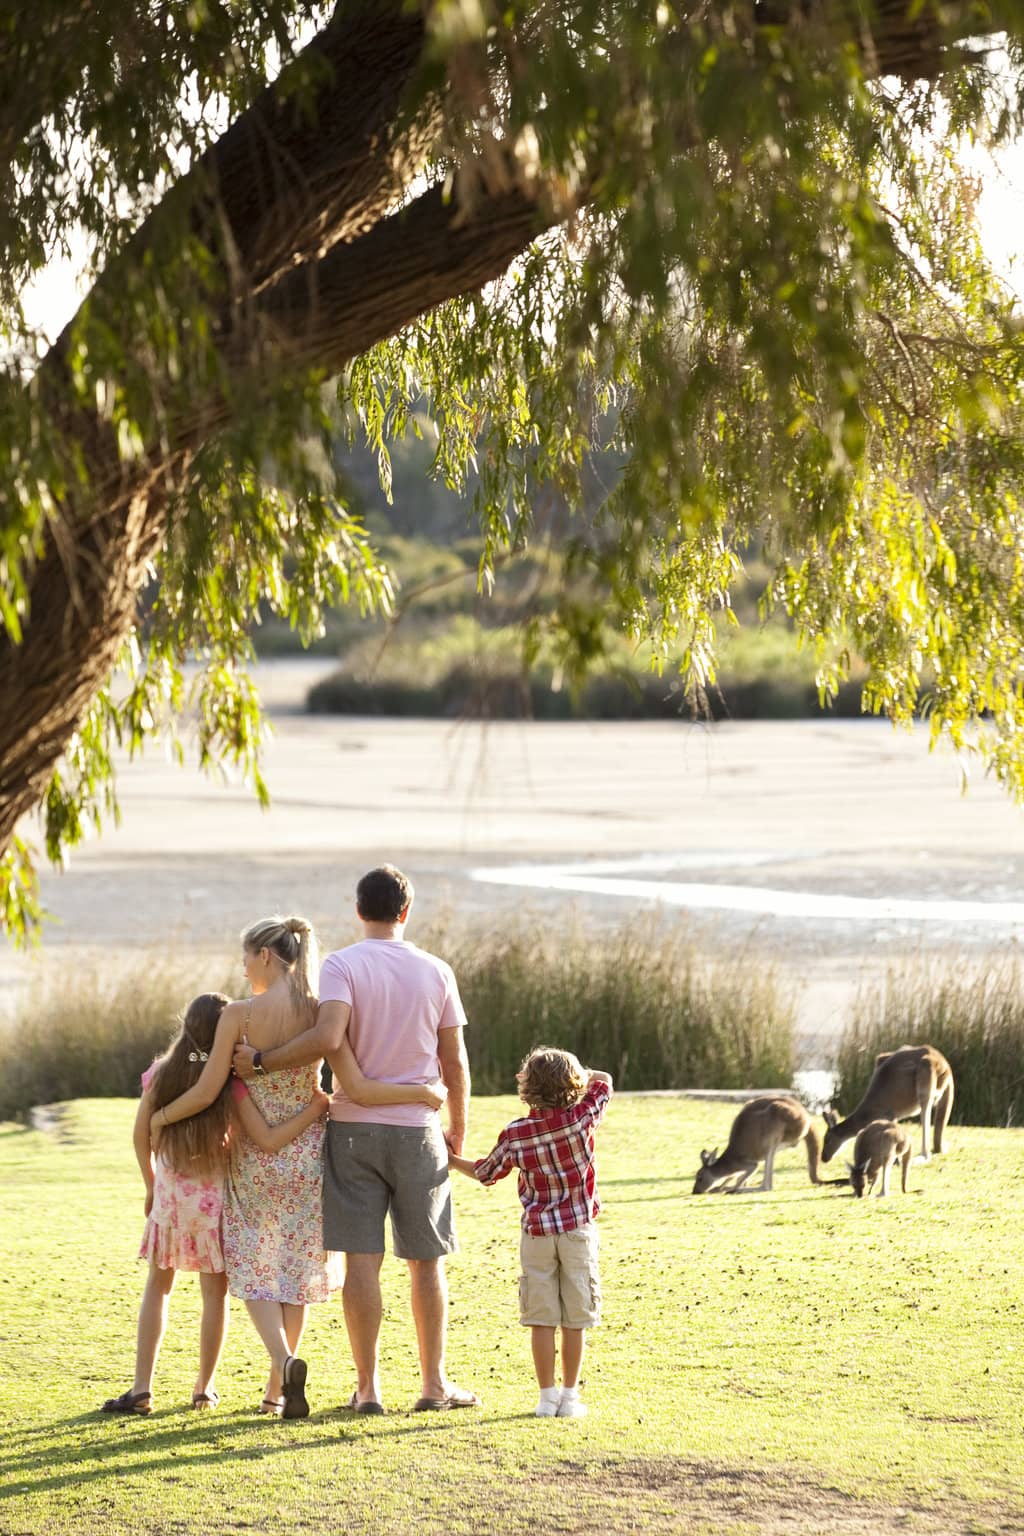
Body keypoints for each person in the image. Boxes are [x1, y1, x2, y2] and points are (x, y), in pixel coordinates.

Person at [152, 914, 445, 1418]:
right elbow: (342, 1080)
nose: (243, 968)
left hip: (254, 1160)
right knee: (294, 1268)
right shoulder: (318, 1011)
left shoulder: (238, 1016)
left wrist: (160, 1115)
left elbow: (205, 1090)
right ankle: (275, 1393)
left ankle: (285, 1362)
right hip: (309, 1154)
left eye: (247, 957)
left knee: (253, 1265)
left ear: (266, 955)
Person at [233, 865, 477, 1415]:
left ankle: (368, 1390)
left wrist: (262, 1063)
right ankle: (434, 1386)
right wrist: (457, 1129)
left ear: (359, 910)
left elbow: (326, 1037)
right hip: (418, 1131)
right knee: (426, 1262)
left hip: (351, 1130)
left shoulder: (342, 964)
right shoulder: (436, 970)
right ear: (406, 912)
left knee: (361, 1263)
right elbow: (455, 1060)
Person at [101, 992, 329, 1415]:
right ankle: (204, 1388)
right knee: (214, 1296)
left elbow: (140, 1135)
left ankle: (141, 1388)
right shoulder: (226, 1078)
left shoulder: (161, 1074)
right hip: (216, 1201)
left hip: (171, 1199)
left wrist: (151, 1184)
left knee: (158, 1287)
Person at [448, 1047, 613, 1419]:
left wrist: (451, 1161)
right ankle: (570, 1398)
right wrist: (582, 1075)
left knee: (541, 1318)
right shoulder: (582, 1118)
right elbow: (604, 1081)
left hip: (536, 1234)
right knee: (575, 1319)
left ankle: (546, 1397)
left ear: (527, 1088)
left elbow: (486, 1173)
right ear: (572, 1086)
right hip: (577, 1232)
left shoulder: (516, 1134)